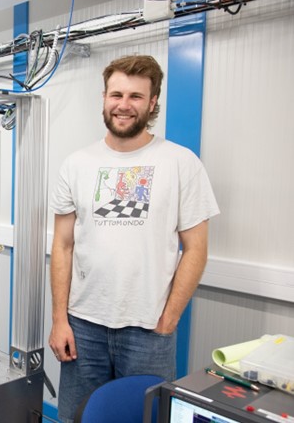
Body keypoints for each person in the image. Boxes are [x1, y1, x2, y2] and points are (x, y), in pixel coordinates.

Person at [48, 55, 219, 422]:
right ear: (105, 98)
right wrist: (59, 319)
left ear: (153, 102)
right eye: (116, 94)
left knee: (143, 418)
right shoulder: (76, 164)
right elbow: (62, 247)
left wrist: (169, 319)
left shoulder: (180, 163)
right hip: (83, 326)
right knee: (76, 418)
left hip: (148, 331)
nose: (124, 105)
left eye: (136, 96)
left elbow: (197, 249)